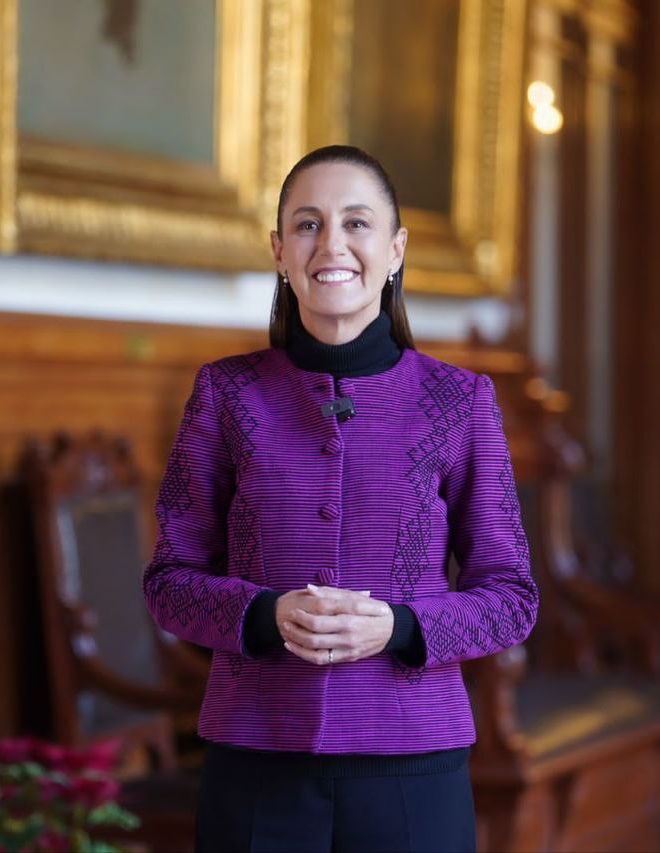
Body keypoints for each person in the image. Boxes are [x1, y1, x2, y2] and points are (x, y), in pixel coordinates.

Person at [142, 145, 539, 852]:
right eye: (308, 224)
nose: (331, 245)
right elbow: (169, 583)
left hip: (414, 769)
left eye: (356, 223)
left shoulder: (461, 400)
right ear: (279, 250)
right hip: (255, 761)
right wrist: (264, 614)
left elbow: (511, 598)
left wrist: (401, 628)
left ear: (395, 249)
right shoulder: (225, 392)